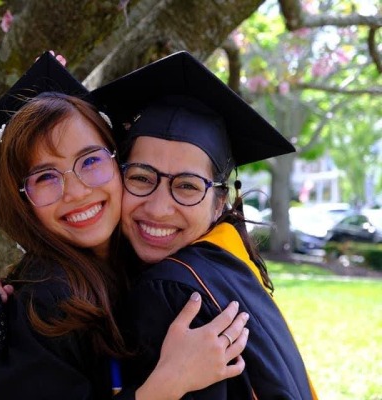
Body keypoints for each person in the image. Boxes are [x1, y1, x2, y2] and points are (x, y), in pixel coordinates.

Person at [0, 52, 249, 400]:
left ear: (117, 160)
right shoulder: (47, 301)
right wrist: (167, 385)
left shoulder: (139, 261)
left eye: (90, 160)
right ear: (23, 201)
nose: (76, 191)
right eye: (45, 177)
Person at [90, 51, 319, 399]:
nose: (159, 208)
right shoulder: (228, 266)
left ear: (218, 203)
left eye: (186, 186)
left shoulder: (172, 293)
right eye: (140, 178)